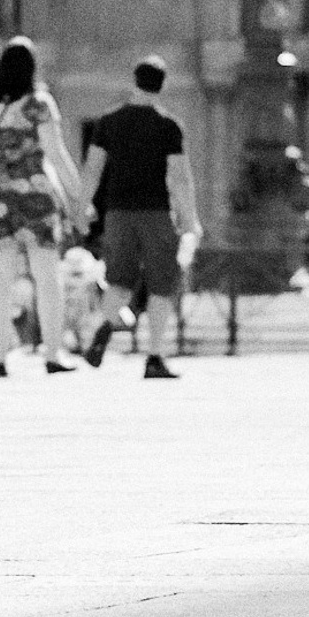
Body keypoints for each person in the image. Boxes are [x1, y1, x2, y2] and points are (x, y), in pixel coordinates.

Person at [76, 55, 201, 381]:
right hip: (156, 214)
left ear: (135, 80)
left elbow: (92, 170)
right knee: (162, 284)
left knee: (118, 280)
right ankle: (155, 357)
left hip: (117, 214)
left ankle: (105, 324)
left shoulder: (108, 122)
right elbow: (179, 178)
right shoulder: (168, 126)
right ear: (161, 85)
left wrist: (81, 207)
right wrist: (190, 219)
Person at [0, 37, 82, 375]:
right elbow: (56, 154)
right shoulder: (39, 104)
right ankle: (52, 354)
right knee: (47, 277)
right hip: (33, 193)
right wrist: (77, 196)